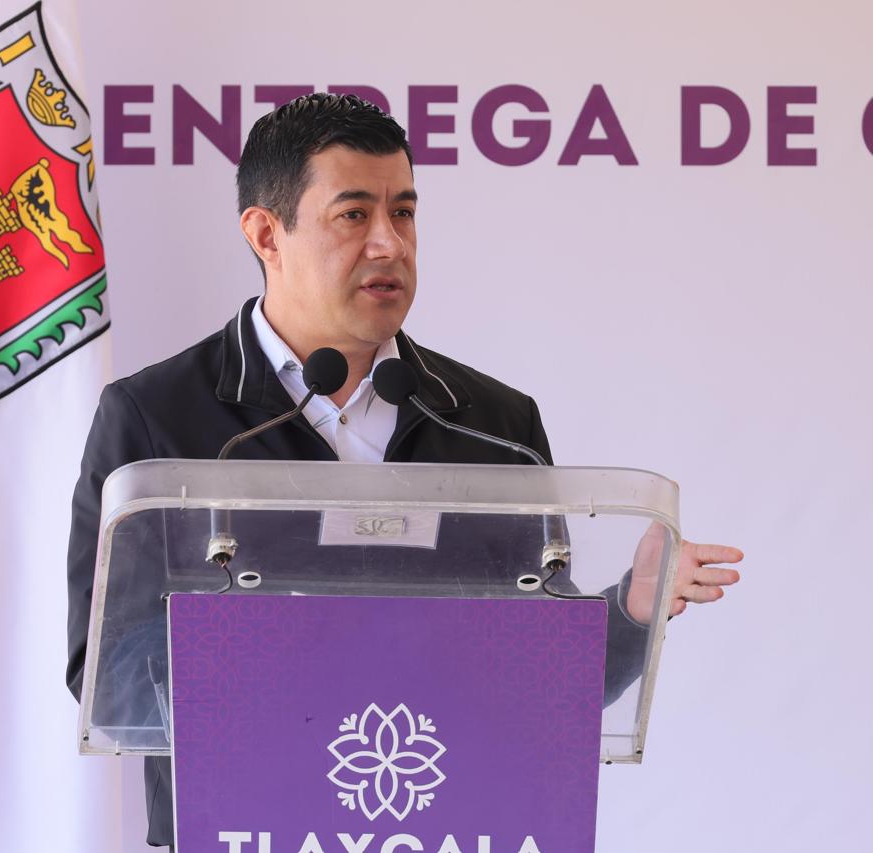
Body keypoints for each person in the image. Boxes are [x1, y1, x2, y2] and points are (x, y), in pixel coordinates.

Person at [65, 93, 743, 848]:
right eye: (354, 214)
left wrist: (630, 611)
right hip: (242, 829)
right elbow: (106, 673)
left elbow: (539, 691)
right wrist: (293, 645)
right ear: (266, 233)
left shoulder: (493, 426)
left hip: (452, 829)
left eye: (405, 213)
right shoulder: (156, 418)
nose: (389, 243)